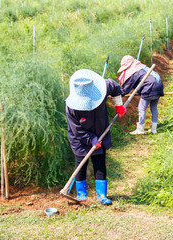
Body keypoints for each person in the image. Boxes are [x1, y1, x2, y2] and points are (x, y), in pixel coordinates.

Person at [65, 69, 126, 205]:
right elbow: (77, 130)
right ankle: (81, 194)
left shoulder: (102, 89)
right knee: (81, 164)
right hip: (80, 139)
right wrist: (91, 139)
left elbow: (115, 87)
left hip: (100, 132)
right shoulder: (71, 107)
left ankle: (102, 195)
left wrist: (119, 105)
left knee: (99, 161)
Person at [117, 55, 164, 135]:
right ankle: (154, 129)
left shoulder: (134, 72)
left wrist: (117, 95)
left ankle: (140, 129)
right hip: (158, 85)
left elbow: (125, 89)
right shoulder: (142, 68)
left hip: (150, 87)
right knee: (154, 108)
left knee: (141, 108)